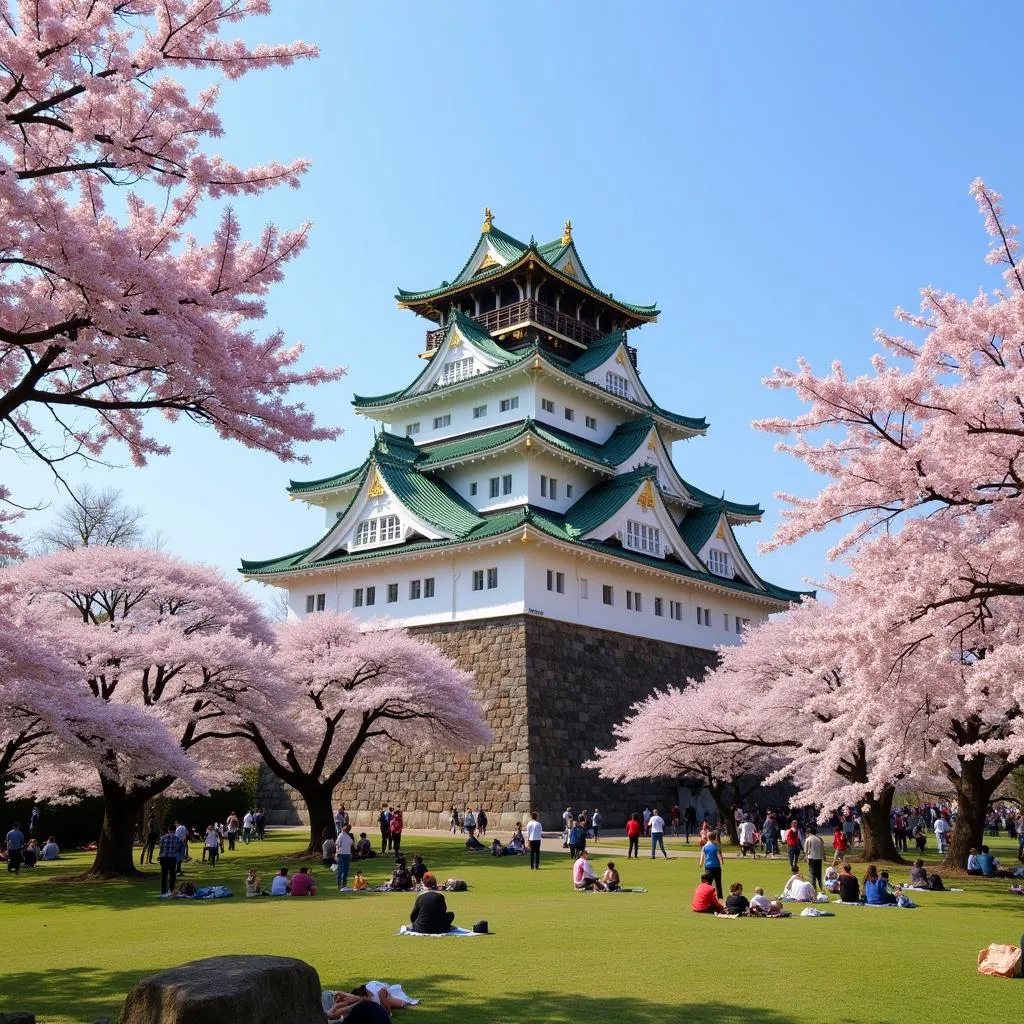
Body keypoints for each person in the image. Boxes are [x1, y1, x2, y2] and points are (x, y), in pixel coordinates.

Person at [158, 824, 182, 895]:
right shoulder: (177, 838)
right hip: (172, 858)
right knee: (172, 875)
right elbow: (178, 849)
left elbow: (161, 849)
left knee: (164, 875)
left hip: (164, 858)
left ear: (168, 830)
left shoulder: (163, 838)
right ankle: (171, 890)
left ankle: (163, 891)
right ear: (175, 831)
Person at [699, 830, 723, 898]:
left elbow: (702, 856)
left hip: (708, 867)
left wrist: (701, 864)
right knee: (718, 883)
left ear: (708, 838)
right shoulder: (716, 847)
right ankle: (720, 896)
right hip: (716, 867)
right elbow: (718, 855)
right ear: (715, 838)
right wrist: (721, 861)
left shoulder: (704, 847)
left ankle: (708, 896)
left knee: (709, 883)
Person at [804, 826, 824, 892]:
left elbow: (805, 850)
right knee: (819, 875)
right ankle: (822, 888)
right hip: (819, 859)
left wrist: (806, 858)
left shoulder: (808, 839)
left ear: (808, 832)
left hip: (811, 859)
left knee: (812, 875)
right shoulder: (820, 839)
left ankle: (814, 889)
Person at [336, 824, 355, 890]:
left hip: (344, 854)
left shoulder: (344, 836)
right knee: (343, 870)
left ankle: (341, 885)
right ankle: (342, 885)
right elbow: (338, 844)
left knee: (341, 870)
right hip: (343, 854)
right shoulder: (343, 836)